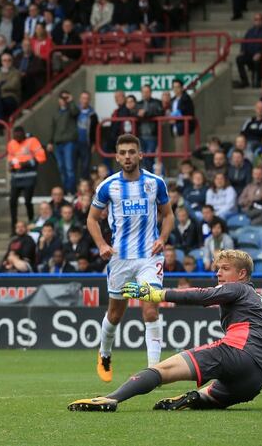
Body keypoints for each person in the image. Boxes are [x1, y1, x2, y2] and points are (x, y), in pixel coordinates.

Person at [68, 250, 262, 412]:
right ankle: (194, 398)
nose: (218, 274)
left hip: (236, 354)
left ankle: (111, 398)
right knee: (209, 395)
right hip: (256, 381)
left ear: (243, 274)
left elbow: (202, 295)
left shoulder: (238, 289)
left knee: (163, 371)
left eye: (225, 269)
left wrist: (156, 293)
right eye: (217, 269)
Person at [87, 134, 175, 382]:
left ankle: (154, 371)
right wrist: (102, 244)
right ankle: (104, 354)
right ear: (116, 157)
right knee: (115, 314)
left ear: (140, 155)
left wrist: (163, 238)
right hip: (120, 259)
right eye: (123, 152)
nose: (127, 156)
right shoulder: (108, 186)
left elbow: (168, 215)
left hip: (149, 257)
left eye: (131, 152)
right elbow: (92, 218)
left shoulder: (156, 183)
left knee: (150, 310)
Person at [7, 126, 47, 233]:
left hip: (29, 175)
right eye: (15, 135)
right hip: (16, 176)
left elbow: (42, 157)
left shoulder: (32, 141)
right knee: (12, 201)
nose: (16, 137)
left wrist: (28, 163)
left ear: (23, 134)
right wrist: (11, 165)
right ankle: (13, 227)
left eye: (18, 135)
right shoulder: (11, 143)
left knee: (27, 201)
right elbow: (10, 157)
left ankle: (30, 222)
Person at [48, 91, 80, 193]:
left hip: (69, 142)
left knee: (69, 168)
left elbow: (76, 112)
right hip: (58, 144)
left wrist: (71, 101)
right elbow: (52, 128)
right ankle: (66, 191)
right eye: (62, 98)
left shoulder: (71, 110)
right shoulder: (56, 113)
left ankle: (71, 190)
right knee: (61, 168)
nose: (63, 100)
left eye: (65, 98)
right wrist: (50, 142)